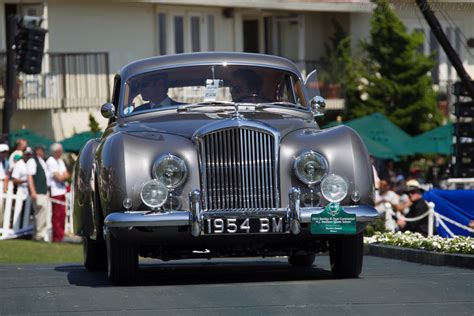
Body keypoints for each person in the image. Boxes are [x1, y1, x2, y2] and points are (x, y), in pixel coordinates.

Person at [46, 143, 70, 242]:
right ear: (55, 152)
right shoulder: (50, 161)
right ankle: (56, 237)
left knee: (62, 215)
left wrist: (62, 176)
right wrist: (62, 176)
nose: (61, 153)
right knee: (56, 215)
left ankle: (60, 236)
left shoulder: (60, 161)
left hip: (61, 190)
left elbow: (67, 174)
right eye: (60, 151)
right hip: (55, 191)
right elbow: (59, 177)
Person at [27, 146, 50, 242]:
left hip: (43, 191)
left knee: (41, 213)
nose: (44, 152)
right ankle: (39, 235)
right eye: (42, 150)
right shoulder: (32, 161)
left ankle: (37, 235)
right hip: (38, 192)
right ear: (37, 151)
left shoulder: (42, 161)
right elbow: (30, 177)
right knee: (40, 213)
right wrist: (33, 191)